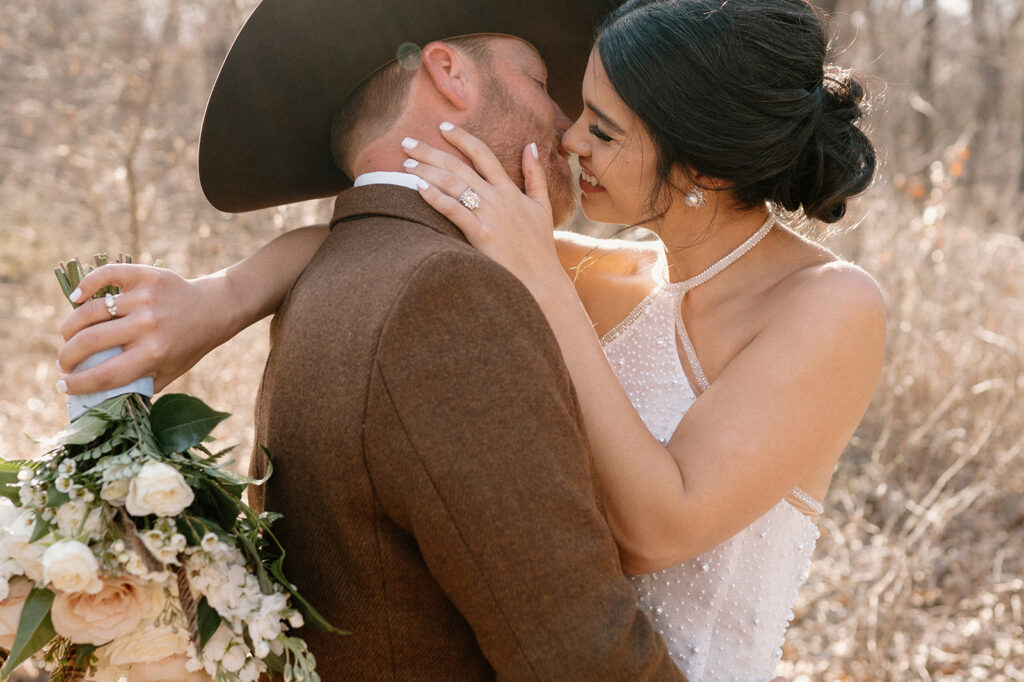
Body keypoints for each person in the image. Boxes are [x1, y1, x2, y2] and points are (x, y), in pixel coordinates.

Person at [58, 0, 884, 680]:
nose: (569, 140)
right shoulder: (617, 276)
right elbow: (393, 232)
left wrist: (541, 278)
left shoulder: (830, 305)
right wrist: (222, 299)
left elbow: (660, 528)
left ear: (701, 166)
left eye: (603, 128)